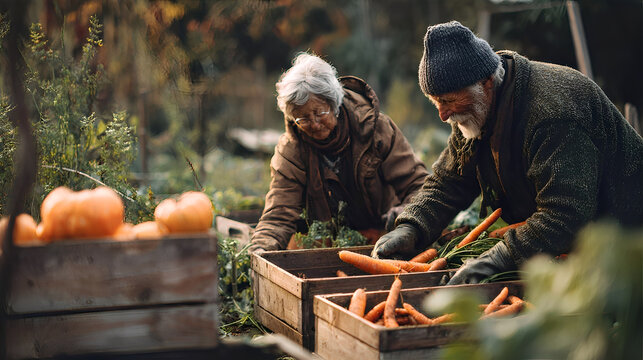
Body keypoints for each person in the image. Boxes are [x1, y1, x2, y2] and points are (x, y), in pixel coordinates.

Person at [372, 21, 643, 285]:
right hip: (581, 247)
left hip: (628, 244)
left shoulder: (551, 114)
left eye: (448, 101)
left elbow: (566, 213)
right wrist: (412, 225)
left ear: (486, 82)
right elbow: (449, 181)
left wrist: (502, 257)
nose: (442, 115)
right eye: (435, 102)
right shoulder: (477, 110)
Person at [249, 53, 429, 253]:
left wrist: (403, 216)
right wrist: (260, 249)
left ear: (334, 104)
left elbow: (418, 185)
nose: (315, 124)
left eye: (319, 113)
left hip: (384, 239)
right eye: (303, 119)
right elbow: (279, 213)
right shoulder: (291, 150)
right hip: (326, 247)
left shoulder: (376, 130)